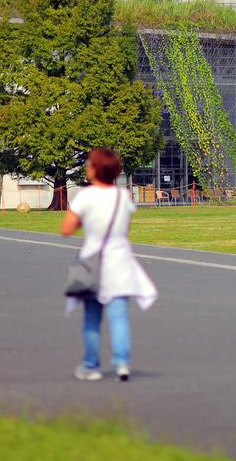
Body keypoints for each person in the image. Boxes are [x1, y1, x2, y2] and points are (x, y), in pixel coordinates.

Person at [61, 147, 158, 381]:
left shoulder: (86, 196)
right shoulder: (122, 196)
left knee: (93, 317)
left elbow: (66, 229)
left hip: (95, 260)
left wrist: (88, 222)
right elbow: (126, 226)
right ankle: (122, 363)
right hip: (120, 260)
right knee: (119, 315)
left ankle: (91, 365)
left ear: (95, 169)